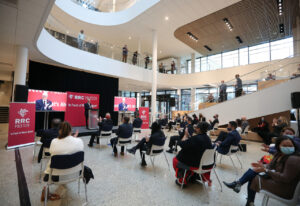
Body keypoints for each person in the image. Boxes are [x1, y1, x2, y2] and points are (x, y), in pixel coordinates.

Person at [223, 136, 300, 206]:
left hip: (284, 188)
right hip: (277, 180)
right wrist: (262, 166)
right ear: (278, 146)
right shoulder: (279, 154)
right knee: (253, 170)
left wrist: (265, 170)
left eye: (290, 146)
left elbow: (285, 178)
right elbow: (270, 166)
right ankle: (246, 197)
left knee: (253, 177)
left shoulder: (293, 159)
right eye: (284, 146)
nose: (288, 148)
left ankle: (239, 187)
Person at [41, 121, 82, 201]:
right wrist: (74, 139)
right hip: (76, 174)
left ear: (59, 131)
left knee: (51, 164)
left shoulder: (54, 142)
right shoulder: (79, 141)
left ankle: (45, 190)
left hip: (55, 177)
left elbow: (51, 153)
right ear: (71, 131)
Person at [173, 122, 213, 187]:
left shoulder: (196, 138)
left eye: (196, 128)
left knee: (176, 159)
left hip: (197, 164)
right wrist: (189, 136)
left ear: (199, 129)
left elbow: (182, 144)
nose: (195, 129)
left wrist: (185, 135)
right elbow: (194, 143)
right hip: (207, 164)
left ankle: (182, 179)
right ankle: (191, 176)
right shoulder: (207, 138)